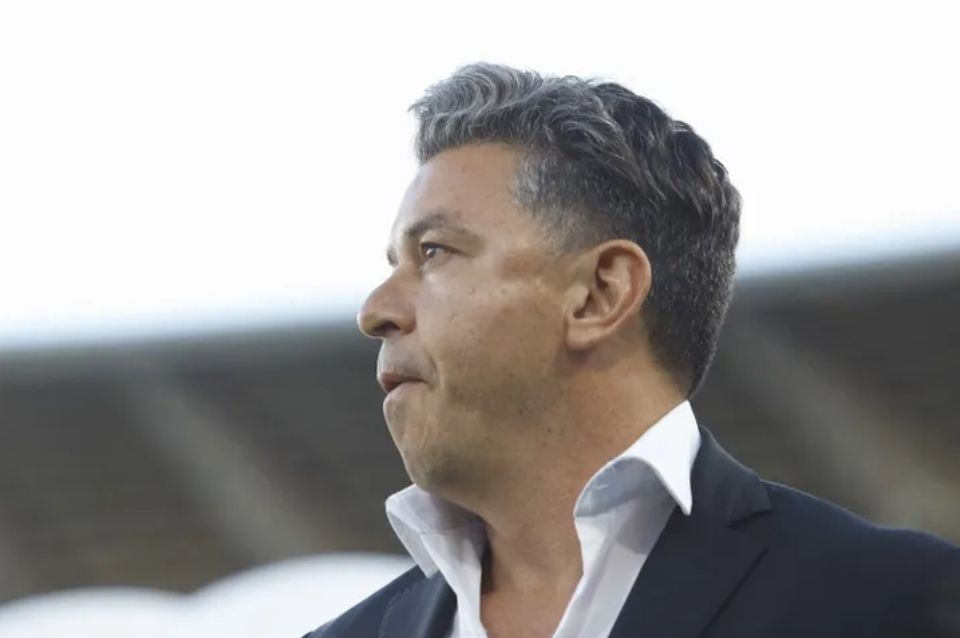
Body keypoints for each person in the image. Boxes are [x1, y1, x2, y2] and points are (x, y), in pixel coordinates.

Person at [303, 63, 960, 638]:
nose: (375, 311)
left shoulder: (891, 602)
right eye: (395, 263)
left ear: (600, 293)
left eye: (434, 252)